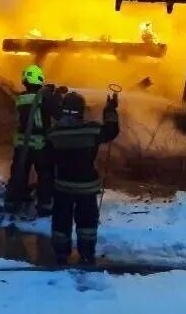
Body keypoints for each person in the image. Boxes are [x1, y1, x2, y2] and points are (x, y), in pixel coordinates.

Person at [47, 90, 119, 265]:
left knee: (61, 221)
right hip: (86, 188)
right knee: (87, 223)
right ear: (81, 111)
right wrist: (110, 109)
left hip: (62, 186)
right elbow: (111, 131)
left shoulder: (54, 134)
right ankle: (86, 254)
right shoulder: (91, 130)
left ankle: (61, 254)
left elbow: (47, 160)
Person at [4, 64, 54, 216]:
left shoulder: (20, 98)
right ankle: (45, 206)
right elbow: (55, 111)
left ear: (25, 80)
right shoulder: (44, 97)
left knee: (19, 173)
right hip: (40, 144)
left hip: (22, 144)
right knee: (45, 175)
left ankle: (13, 202)